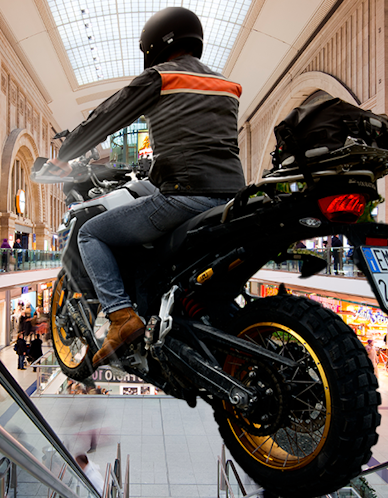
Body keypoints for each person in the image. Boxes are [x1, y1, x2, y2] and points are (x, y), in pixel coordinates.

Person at [47, 7, 246, 367]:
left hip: (185, 194)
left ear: (156, 43)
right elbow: (201, 144)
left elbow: (109, 115)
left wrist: (65, 153)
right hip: (231, 197)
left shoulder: (163, 77)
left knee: (91, 234)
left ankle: (121, 317)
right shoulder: (227, 86)